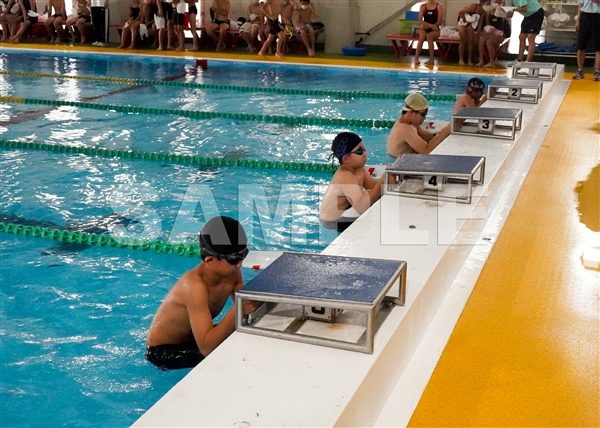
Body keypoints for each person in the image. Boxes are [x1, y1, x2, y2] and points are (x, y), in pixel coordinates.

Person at [146, 216, 259, 370]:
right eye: (234, 259)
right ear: (210, 259)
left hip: (194, 339)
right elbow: (207, 348)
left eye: (243, 255)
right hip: (164, 352)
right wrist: (239, 308)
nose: (240, 264)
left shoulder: (232, 273)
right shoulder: (194, 286)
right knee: (229, 354)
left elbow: (248, 306)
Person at [319, 132, 384, 233]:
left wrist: (389, 178)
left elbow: (374, 186)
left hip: (345, 211)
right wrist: (383, 180)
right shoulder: (346, 176)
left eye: (364, 150)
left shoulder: (359, 170)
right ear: (346, 158)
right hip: (333, 222)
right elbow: (362, 207)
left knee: (373, 198)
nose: (365, 154)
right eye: (359, 151)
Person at [387, 93, 451, 159]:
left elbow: (430, 138)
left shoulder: (412, 124)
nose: (424, 118)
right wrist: (447, 129)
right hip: (397, 162)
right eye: (423, 114)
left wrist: (442, 133)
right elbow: (426, 150)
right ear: (411, 112)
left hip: (408, 160)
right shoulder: (404, 128)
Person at [475, 0, 511, 68]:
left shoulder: (501, 13)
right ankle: (481, 61)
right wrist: (486, 34)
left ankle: (491, 62)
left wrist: (493, 34)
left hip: (501, 34)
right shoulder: (487, 13)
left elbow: (503, 30)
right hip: (492, 33)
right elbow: (488, 26)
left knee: (489, 42)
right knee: (481, 40)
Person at [572, 0, 600, 80]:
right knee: (581, 45)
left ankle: (597, 72)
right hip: (585, 16)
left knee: (598, 46)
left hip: (598, 16)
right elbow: (580, 5)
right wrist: (578, 21)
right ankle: (580, 70)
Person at [413, 0, 445, 65]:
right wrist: (430, 25)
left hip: (435, 29)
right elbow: (420, 21)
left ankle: (431, 59)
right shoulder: (423, 6)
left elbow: (440, 21)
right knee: (422, 37)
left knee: (429, 36)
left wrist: (433, 26)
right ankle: (416, 58)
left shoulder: (439, 6)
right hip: (425, 28)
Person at [456, 0, 485, 65]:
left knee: (470, 41)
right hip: (462, 22)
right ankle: (461, 59)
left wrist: (477, 33)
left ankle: (469, 60)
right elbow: (460, 12)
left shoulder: (483, 12)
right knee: (462, 41)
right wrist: (465, 20)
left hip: (470, 24)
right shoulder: (473, 6)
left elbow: (480, 24)